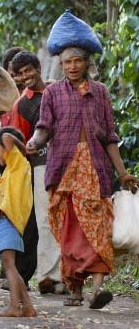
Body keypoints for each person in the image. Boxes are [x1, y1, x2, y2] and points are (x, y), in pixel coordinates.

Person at [27, 46, 138, 309]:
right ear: (62, 65)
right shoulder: (53, 92)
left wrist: (122, 173)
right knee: (70, 230)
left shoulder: (100, 92)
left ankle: (97, 290)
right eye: (68, 62)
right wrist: (34, 141)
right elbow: (44, 127)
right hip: (64, 171)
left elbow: (110, 136)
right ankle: (75, 289)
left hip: (96, 170)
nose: (73, 66)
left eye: (78, 61)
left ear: (87, 63)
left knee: (97, 229)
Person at [11, 51, 64, 294]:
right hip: (41, 166)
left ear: (38, 67)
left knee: (69, 220)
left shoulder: (60, 91)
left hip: (70, 162)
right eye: (20, 74)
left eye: (28, 71)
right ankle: (49, 277)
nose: (25, 77)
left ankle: (69, 276)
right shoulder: (21, 104)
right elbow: (18, 141)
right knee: (44, 220)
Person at [0, 127, 36, 317]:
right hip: (7, 222)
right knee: (12, 266)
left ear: (9, 149)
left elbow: (8, 136)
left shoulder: (18, 162)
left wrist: (21, 147)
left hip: (8, 221)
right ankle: (27, 306)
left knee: (9, 265)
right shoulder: (11, 168)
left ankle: (14, 307)